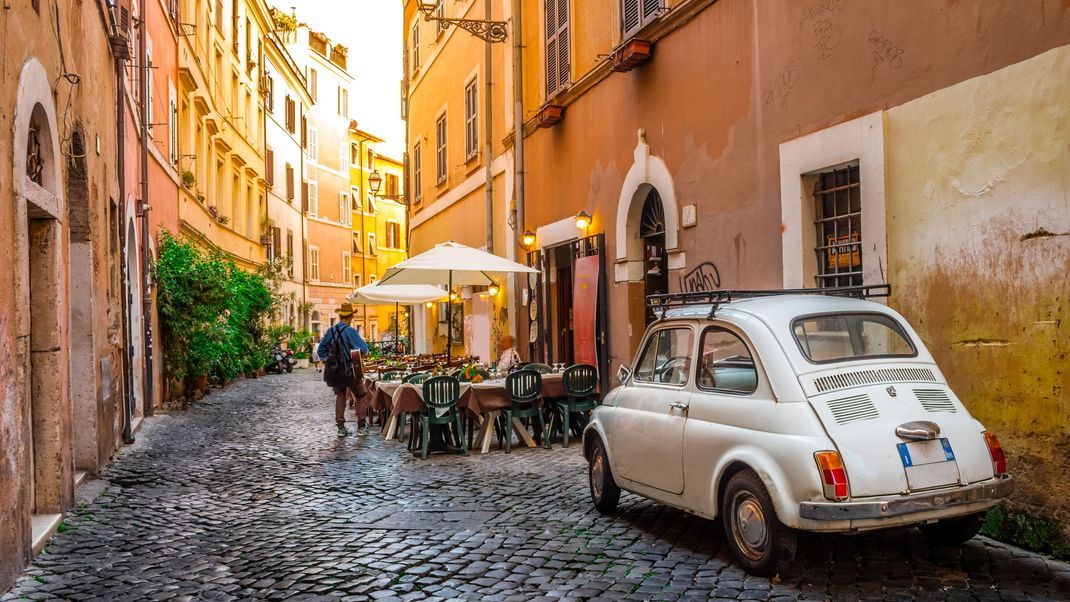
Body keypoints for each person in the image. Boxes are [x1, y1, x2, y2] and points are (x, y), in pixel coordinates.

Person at [317, 303, 370, 437]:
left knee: (340, 396)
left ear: (340, 316)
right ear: (351, 317)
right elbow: (364, 349)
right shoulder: (350, 331)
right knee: (361, 395)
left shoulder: (330, 331)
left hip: (335, 372)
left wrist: (328, 360)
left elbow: (320, 350)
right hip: (350, 370)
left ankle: (341, 428)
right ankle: (361, 426)